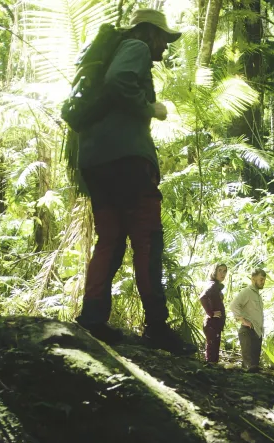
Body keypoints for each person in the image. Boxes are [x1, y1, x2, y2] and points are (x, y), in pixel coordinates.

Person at [73, 8, 190, 354]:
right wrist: (150, 108)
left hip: (95, 161)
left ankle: (93, 318)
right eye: (163, 40)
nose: (164, 48)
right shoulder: (136, 48)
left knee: (109, 239)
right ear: (150, 33)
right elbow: (120, 81)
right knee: (147, 239)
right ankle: (156, 325)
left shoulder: (111, 51)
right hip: (128, 162)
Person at [230, 268, 267, 371]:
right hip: (247, 332)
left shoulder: (258, 296)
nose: (263, 282)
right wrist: (242, 320)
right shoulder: (247, 292)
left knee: (255, 367)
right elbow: (233, 305)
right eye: (261, 279)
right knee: (249, 367)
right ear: (253, 279)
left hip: (257, 332)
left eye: (264, 280)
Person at [199, 263, 227, 364]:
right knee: (212, 353)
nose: (222, 273)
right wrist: (211, 313)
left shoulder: (216, 286)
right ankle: (209, 372)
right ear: (214, 271)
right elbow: (202, 297)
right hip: (212, 323)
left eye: (224, 271)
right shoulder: (213, 285)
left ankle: (212, 372)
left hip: (215, 324)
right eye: (220, 270)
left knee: (214, 351)